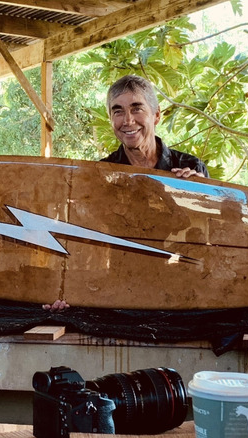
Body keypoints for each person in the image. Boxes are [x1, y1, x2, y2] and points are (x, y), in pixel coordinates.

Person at [43, 75, 209, 311]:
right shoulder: (100, 175)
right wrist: (65, 290)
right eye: (118, 111)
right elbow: (83, 241)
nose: (128, 120)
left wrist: (203, 196)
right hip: (119, 293)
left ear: (157, 115)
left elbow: (209, 237)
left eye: (136, 108)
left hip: (182, 291)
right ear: (111, 119)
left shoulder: (191, 169)